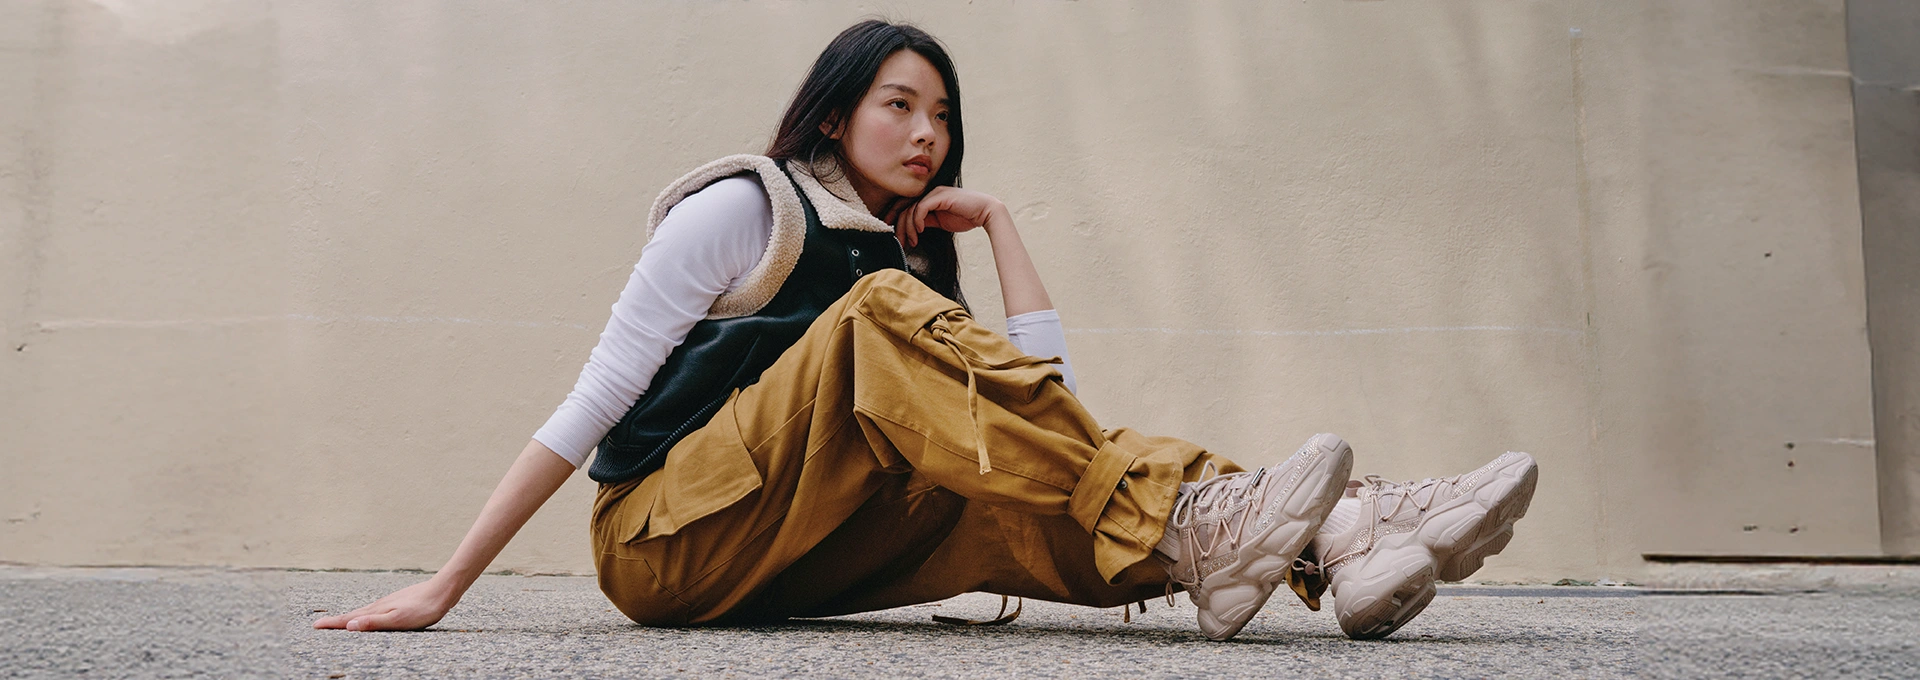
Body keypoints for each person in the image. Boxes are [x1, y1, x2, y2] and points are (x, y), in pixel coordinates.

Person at [313, 19, 1539, 642]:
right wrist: (447, 583)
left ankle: (1345, 537)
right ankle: (1220, 520)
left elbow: (1045, 411)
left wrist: (999, 221)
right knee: (886, 319)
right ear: (836, 110)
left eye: (942, 117)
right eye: (899, 105)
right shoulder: (749, 207)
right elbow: (598, 395)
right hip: (663, 543)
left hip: (792, 544)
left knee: (999, 472)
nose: (925, 135)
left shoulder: (904, 262)